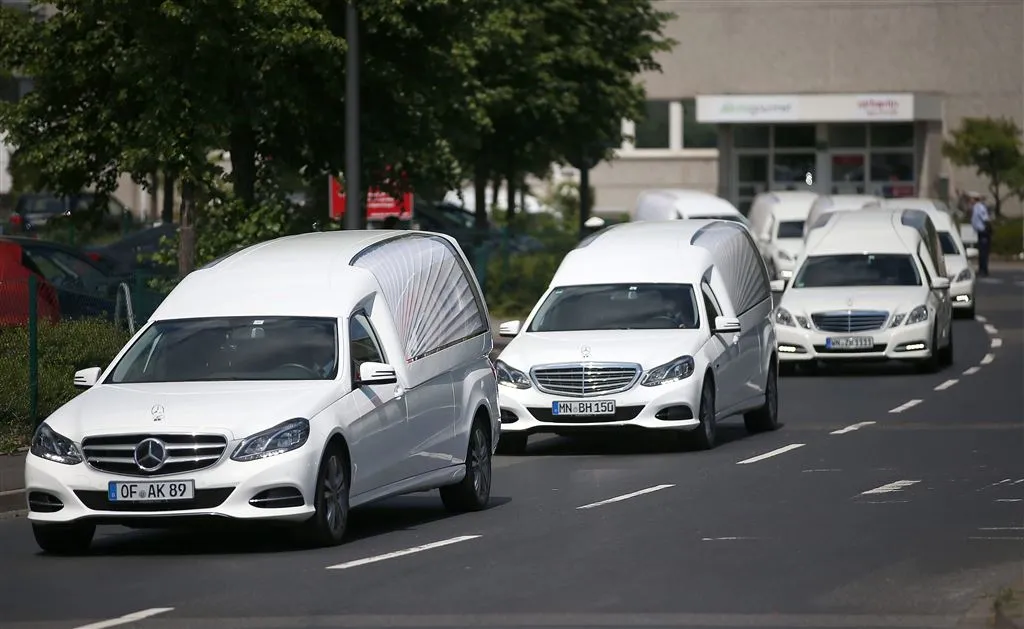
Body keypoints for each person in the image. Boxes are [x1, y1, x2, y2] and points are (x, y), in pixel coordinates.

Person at [970, 192, 991, 276]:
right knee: (981, 252)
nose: (970, 200)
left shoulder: (980, 207)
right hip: (980, 232)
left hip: (983, 232)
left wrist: (987, 229)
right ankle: (982, 269)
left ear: (975, 199)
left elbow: (985, 218)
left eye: (971, 199)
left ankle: (984, 270)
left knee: (983, 252)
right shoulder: (975, 207)